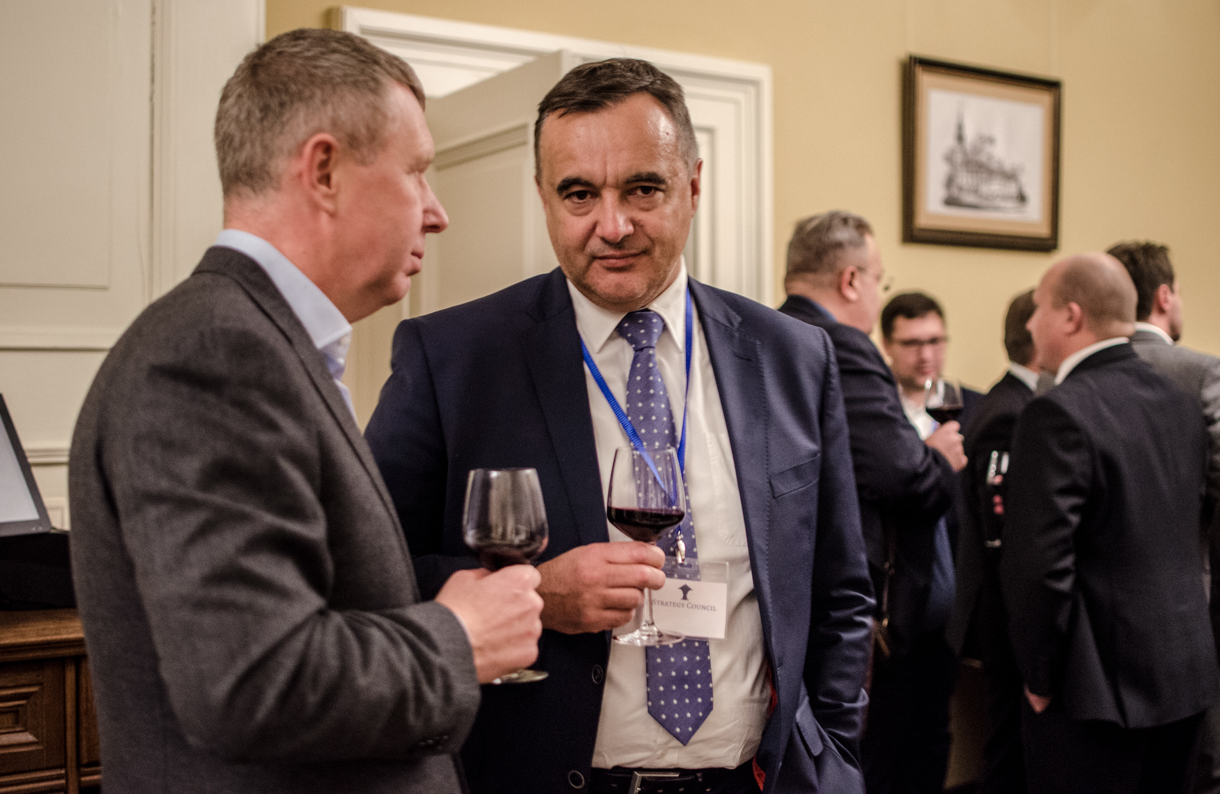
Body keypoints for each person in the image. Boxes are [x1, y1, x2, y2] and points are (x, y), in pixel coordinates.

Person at [364, 58, 873, 794]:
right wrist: (535, 592)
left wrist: (836, 755)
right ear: (543, 197)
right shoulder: (453, 359)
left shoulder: (792, 356)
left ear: (692, 185)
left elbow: (840, 589)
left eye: (643, 188)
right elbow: (369, 575)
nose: (613, 225)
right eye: (579, 193)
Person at [67, 29, 545, 794]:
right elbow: (252, 680)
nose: (437, 212)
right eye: (417, 171)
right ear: (324, 171)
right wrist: (460, 635)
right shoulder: (213, 354)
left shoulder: (263, 344)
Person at [1002, 254, 1218, 794]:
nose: (1031, 324)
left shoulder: (1056, 411)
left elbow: (1040, 565)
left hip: (1095, 689)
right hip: (1186, 674)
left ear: (1071, 316)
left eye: (1038, 309)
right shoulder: (1180, 402)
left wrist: (1039, 675)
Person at [777, 211, 967, 794]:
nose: (877, 294)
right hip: (854, 618)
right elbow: (907, 478)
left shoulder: (765, 334)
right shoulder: (843, 345)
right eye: (880, 281)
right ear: (852, 280)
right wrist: (939, 456)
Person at [1105, 241, 1220, 794]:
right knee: (1196, 763)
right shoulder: (1200, 371)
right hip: (1190, 595)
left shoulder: (1068, 379)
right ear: (1165, 295)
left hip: (1098, 612)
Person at [947, 289, 1040, 794]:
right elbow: (999, 531)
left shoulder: (1015, 401)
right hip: (1004, 616)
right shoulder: (1010, 410)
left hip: (1007, 612)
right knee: (1010, 751)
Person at [880, 291, 980, 439]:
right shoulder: (871, 408)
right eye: (912, 343)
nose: (926, 356)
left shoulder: (979, 408)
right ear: (886, 344)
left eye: (934, 341)